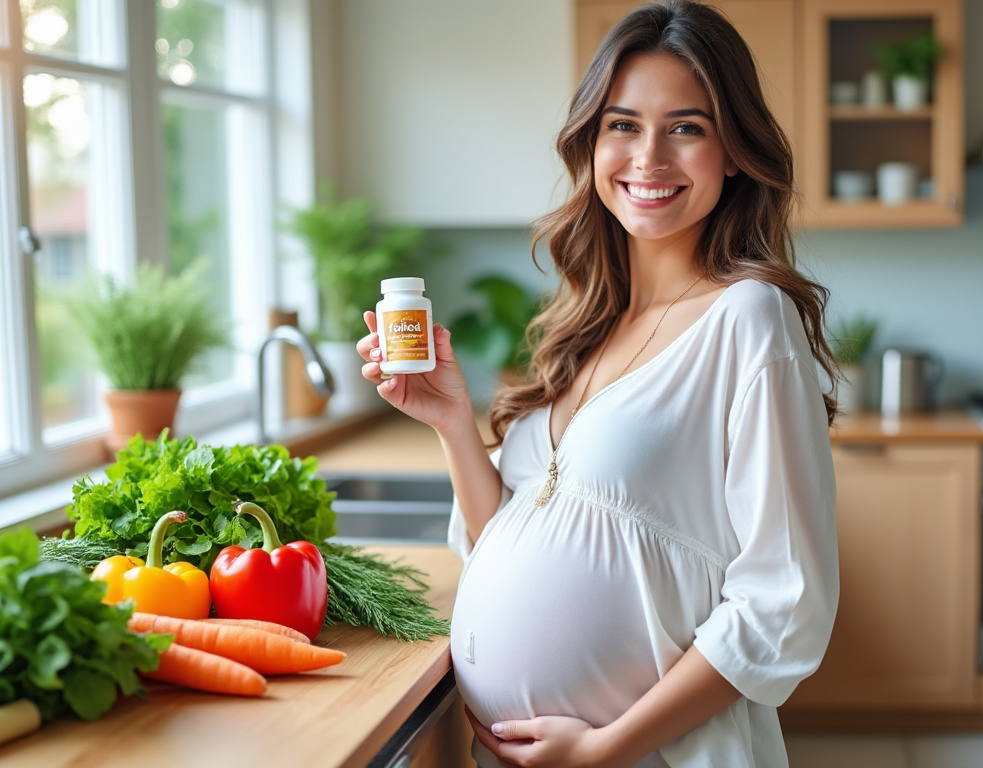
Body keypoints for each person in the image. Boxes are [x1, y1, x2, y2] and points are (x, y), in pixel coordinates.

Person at [356, 2, 838, 765]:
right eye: (622, 124)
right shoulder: (583, 324)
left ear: (735, 151)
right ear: (591, 141)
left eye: (687, 127)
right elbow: (504, 542)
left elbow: (784, 602)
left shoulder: (748, 319)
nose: (648, 158)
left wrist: (603, 748)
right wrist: (452, 422)